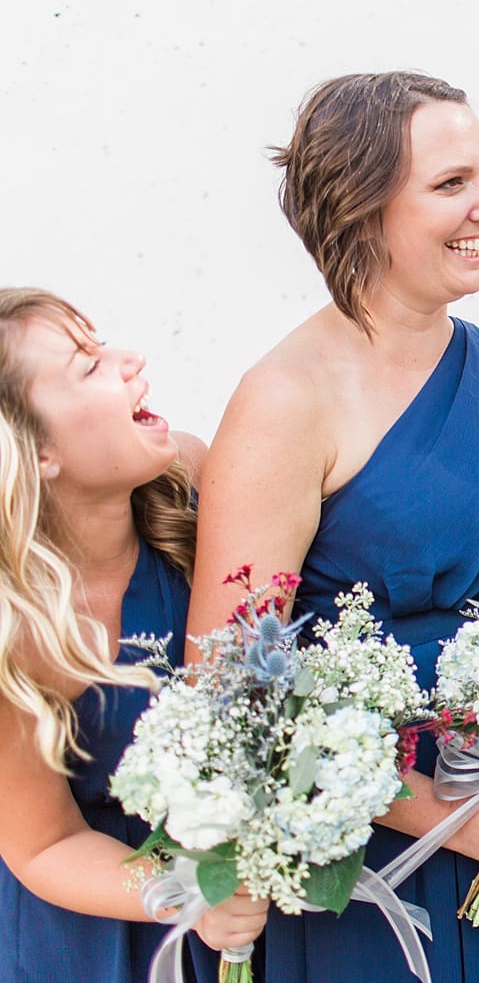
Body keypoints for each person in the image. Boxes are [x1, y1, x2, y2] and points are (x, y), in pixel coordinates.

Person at [186, 72, 479, 982]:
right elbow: (229, 680)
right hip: (371, 848)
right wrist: (433, 807)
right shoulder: (286, 401)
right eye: (451, 185)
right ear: (361, 211)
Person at [0, 288, 268, 981]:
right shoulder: (16, 628)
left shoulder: (194, 480)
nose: (129, 359)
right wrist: (188, 893)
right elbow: (43, 845)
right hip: (87, 931)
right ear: (37, 453)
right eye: (87, 366)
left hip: (236, 907)